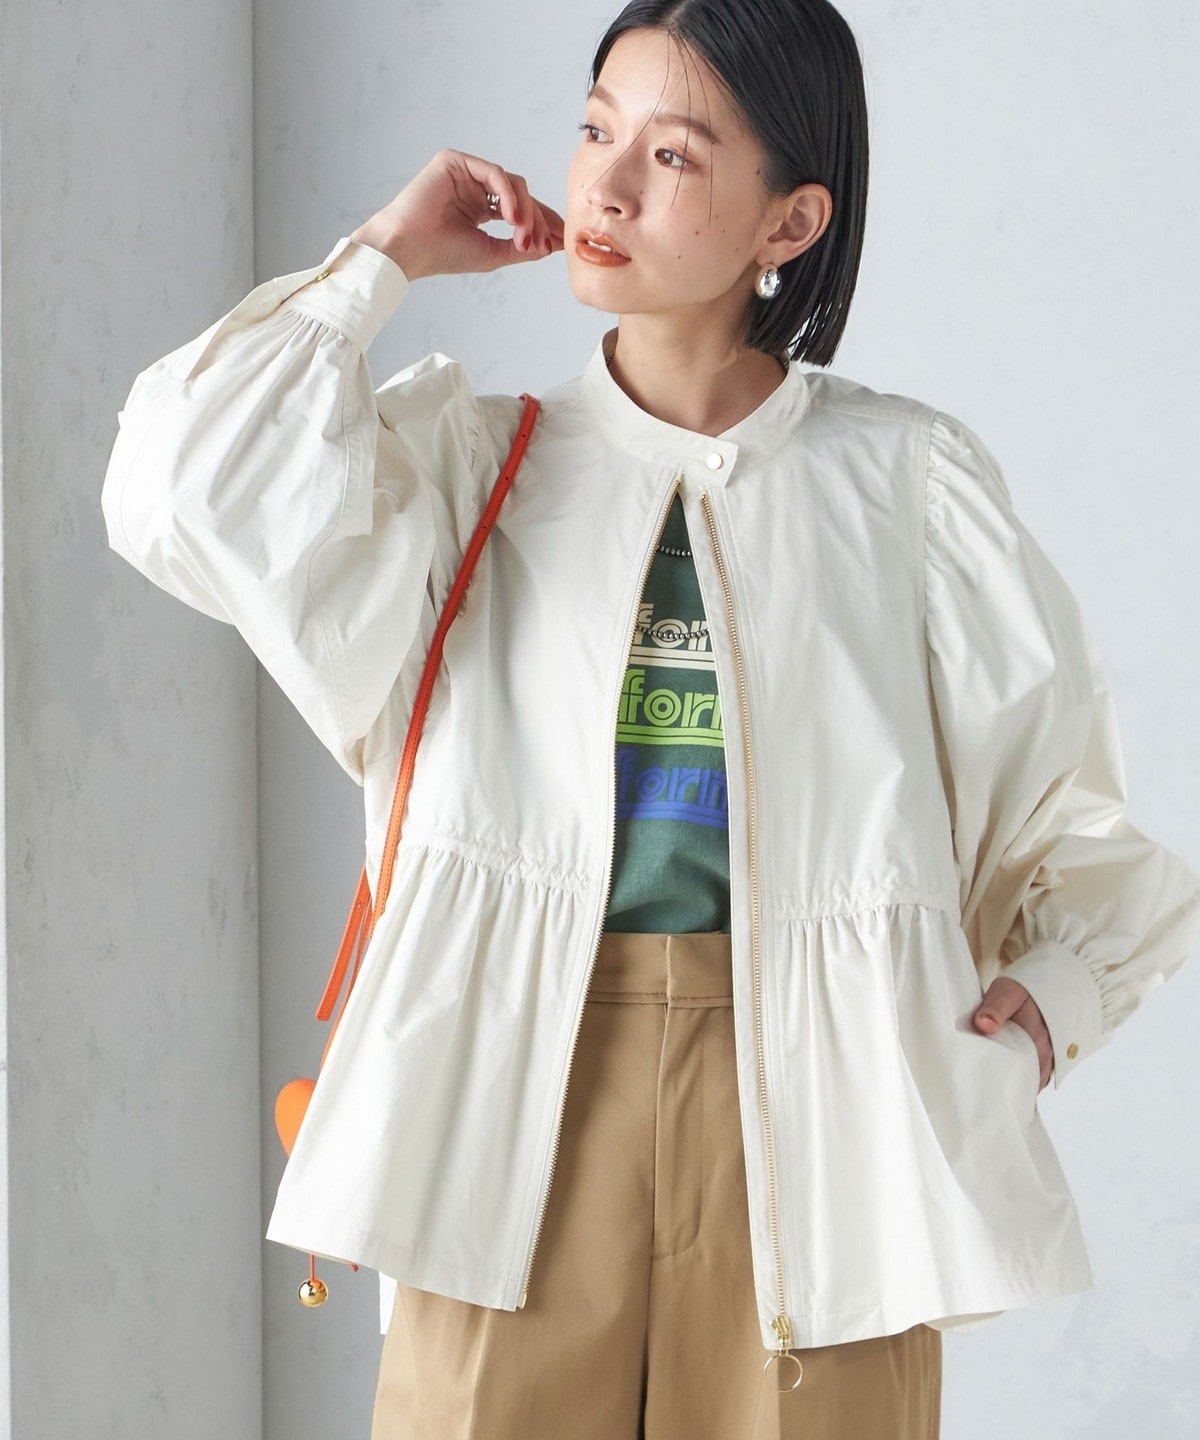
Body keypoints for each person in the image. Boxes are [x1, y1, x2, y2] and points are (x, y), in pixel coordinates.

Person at [100, 1, 1200, 1436]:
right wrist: (383, 257)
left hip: (826, 1121)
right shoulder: (469, 466)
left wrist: (1052, 1004)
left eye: (673, 155)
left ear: (789, 221)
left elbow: (1070, 811)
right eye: (594, 129)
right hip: (512, 1101)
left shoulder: (908, 485)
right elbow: (177, 489)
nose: (606, 186)